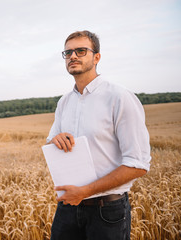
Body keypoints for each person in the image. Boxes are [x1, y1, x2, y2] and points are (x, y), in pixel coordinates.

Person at [46, 30, 151, 240]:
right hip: (68, 208)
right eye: (68, 53)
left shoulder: (119, 97)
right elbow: (51, 143)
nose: (73, 56)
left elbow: (138, 164)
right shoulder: (64, 102)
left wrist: (85, 191)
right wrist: (54, 140)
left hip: (107, 210)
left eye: (81, 50)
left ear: (97, 57)